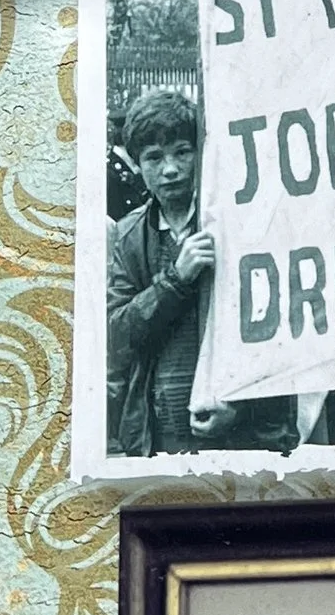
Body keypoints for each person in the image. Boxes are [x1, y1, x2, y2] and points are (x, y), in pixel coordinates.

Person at [105, 95, 293, 457]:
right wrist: (175, 279)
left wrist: (240, 407)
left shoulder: (237, 225)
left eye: (182, 152)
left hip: (240, 434)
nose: (171, 169)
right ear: (138, 163)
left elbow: (275, 336)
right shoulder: (130, 237)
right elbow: (117, 338)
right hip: (159, 437)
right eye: (154, 158)